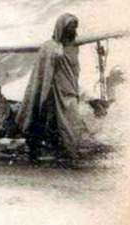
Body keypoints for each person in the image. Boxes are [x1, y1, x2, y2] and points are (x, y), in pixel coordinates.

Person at [17, 13, 82, 162]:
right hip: (48, 89)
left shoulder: (74, 47)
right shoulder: (49, 47)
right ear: (61, 28)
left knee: (70, 120)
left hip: (67, 89)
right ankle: (34, 152)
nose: (72, 29)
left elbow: (75, 69)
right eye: (69, 26)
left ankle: (68, 152)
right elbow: (41, 70)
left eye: (74, 26)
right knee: (39, 116)